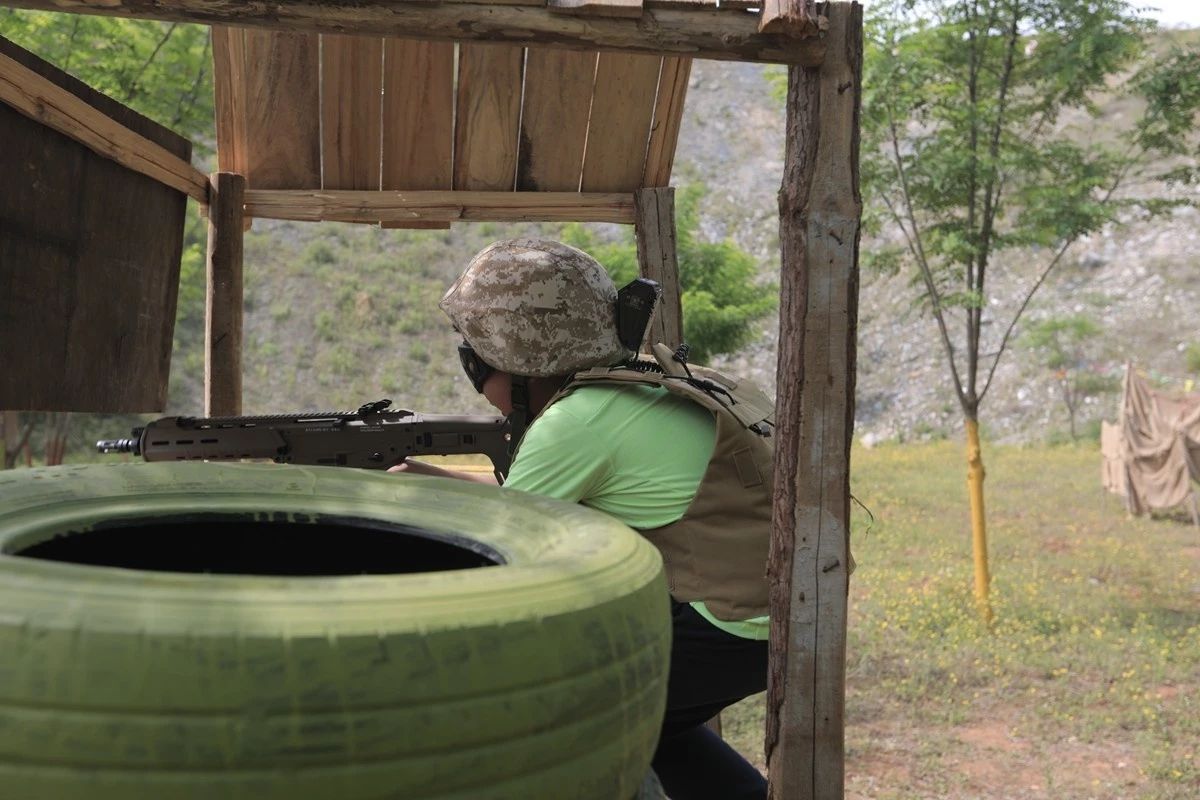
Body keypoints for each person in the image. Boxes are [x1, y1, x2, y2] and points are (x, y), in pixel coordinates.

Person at [393, 238, 774, 800]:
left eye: (475, 357)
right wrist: (429, 483)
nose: (472, 371)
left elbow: (501, 550)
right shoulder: (664, 384)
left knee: (558, 724)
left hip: (729, 625)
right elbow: (526, 506)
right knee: (642, 721)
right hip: (777, 612)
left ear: (517, 360)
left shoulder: (574, 422)